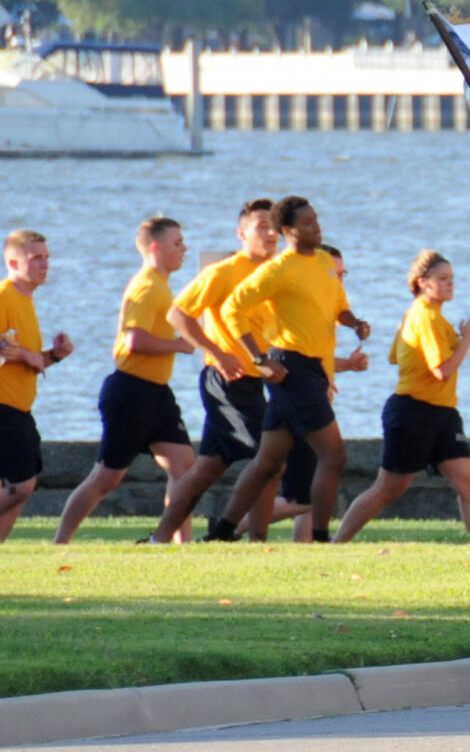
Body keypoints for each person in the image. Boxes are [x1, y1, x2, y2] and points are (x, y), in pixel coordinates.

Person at [204, 197, 368, 544]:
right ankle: (323, 540)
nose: (316, 227)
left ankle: (222, 531)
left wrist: (354, 322)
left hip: (317, 368)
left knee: (267, 461)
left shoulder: (324, 261)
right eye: (307, 223)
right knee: (333, 455)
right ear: (287, 231)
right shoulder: (279, 269)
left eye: (317, 219)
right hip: (292, 367)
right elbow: (234, 309)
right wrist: (260, 360)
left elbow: (338, 305)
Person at [54, 218, 196, 542]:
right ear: (156, 247)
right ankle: (59, 541)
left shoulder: (161, 284)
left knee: (184, 467)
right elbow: (134, 341)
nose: (184, 249)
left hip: (157, 393)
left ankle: (179, 543)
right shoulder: (146, 287)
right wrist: (178, 344)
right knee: (106, 478)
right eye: (177, 243)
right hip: (130, 391)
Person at [337, 250, 470, 543]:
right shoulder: (424, 316)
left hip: (443, 413)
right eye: (442, 278)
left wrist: (453, 341)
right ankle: (336, 543)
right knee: (388, 489)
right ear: (422, 282)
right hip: (413, 412)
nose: (450, 284)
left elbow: (397, 355)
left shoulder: (428, 317)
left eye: (452, 278)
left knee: (468, 483)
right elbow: (442, 371)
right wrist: (467, 340)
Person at [155, 199, 281, 544]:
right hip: (226, 380)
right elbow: (177, 315)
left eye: (274, 227)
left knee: (209, 467)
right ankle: (252, 538)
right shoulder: (223, 272)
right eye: (261, 227)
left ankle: (160, 538)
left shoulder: (276, 272)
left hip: (257, 382)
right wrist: (218, 353)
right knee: (270, 458)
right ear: (242, 233)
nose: (270, 234)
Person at [0, 229, 73, 541]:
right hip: (3, 406)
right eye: (35, 258)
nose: (44, 265)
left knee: (17, 492)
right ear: (14, 263)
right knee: (21, 485)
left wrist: (54, 355)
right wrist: (26, 355)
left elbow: (26, 362)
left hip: (21, 406)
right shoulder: (4, 297)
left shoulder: (25, 301)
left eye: (46, 258)